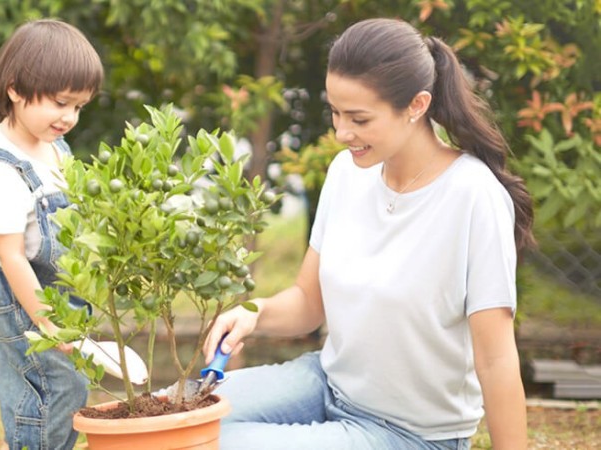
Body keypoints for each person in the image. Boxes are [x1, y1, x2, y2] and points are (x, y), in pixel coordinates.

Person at [203, 17, 534, 450]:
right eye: (335, 112)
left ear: (416, 106)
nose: (342, 133)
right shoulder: (347, 172)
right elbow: (308, 303)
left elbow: (495, 360)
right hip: (324, 383)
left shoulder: (474, 196)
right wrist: (254, 312)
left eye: (359, 118)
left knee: (211, 445)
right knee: (172, 420)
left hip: (408, 433)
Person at [0, 19, 104, 450]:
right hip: (32, 318)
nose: (69, 118)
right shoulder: (1, 173)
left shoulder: (53, 147)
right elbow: (12, 256)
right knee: (44, 399)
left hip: (64, 305)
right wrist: (49, 324)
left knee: (71, 393)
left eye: (79, 107)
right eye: (61, 102)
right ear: (15, 89)